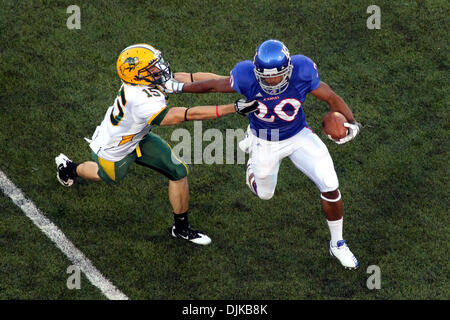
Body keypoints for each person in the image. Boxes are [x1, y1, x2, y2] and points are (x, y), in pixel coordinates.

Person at [163, 39, 362, 269]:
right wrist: (178, 87)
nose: (271, 81)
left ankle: (337, 243)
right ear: (256, 71)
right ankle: (251, 163)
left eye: (277, 76)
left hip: (299, 135)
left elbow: (330, 97)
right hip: (264, 140)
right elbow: (214, 85)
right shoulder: (245, 75)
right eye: (265, 77)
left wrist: (352, 123)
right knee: (265, 194)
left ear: (288, 69)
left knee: (330, 184)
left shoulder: (303, 70)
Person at [55, 43, 258, 245]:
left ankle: (181, 228)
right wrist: (233, 108)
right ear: (137, 75)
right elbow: (185, 115)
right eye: (151, 68)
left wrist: (235, 83)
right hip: (114, 148)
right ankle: (70, 169)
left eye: (156, 64)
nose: (159, 69)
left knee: (178, 171)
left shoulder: (144, 82)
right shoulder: (141, 99)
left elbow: (191, 78)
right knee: (108, 176)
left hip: (139, 137)